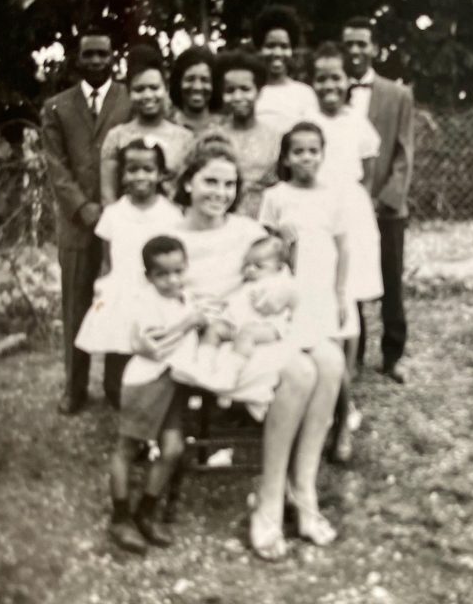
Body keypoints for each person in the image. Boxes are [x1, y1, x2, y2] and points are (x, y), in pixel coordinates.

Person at [172, 144, 344, 560]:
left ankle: (302, 488)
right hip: (206, 344)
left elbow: (283, 275)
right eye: (210, 181)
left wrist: (284, 287)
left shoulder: (248, 232)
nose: (220, 192)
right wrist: (200, 314)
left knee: (332, 360)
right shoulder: (171, 237)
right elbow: (155, 297)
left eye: (230, 183)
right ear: (188, 182)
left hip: (257, 328)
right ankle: (268, 500)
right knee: (300, 371)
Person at [41, 29, 131, 415]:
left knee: (119, 301)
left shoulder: (128, 100)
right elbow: (55, 165)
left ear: (113, 57)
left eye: (103, 54)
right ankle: (74, 387)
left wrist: (117, 209)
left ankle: (116, 385)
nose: (96, 61)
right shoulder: (57, 107)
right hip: (77, 224)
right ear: (78, 59)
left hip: (122, 223)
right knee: (76, 305)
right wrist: (82, 207)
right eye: (89, 55)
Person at [308, 42, 384, 460]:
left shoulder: (358, 123)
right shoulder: (306, 122)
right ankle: (331, 399)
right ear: (312, 82)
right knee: (320, 301)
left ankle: (345, 395)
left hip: (350, 218)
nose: (329, 85)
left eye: (335, 77)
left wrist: (356, 207)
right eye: (321, 78)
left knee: (348, 306)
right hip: (317, 215)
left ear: (347, 81)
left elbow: (368, 172)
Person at [108, 235, 205, 554]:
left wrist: (199, 321)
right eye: (162, 274)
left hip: (174, 382)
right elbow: (155, 345)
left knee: (173, 448)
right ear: (148, 276)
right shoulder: (146, 302)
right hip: (146, 381)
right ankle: (120, 518)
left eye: (178, 271)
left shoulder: (184, 297)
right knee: (126, 447)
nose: (172, 279)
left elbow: (197, 323)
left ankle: (145, 513)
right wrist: (189, 322)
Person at [75, 139, 183, 398]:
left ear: (160, 174)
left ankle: (150, 387)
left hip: (154, 288)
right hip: (121, 286)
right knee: (119, 338)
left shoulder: (171, 214)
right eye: (132, 169)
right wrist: (104, 289)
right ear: (122, 175)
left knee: (152, 339)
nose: (140, 176)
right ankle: (114, 389)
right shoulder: (113, 214)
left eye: (148, 169)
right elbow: (106, 260)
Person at [342, 16, 414, 384]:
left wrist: (382, 199)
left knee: (390, 281)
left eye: (361, 44)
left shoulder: (397, 94)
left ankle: (392, 356)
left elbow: (403, 153)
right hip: (343, 206)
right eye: (348, 44)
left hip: (386, 208)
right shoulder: (332, 90)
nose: (354, 50)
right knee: (346, 278)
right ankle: (352, 353)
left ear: (374, 49)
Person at [258, 121, 351, 350]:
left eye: (313, 151)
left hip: (324, 282)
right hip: (292, 281)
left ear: (322, 155)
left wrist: (339, 293)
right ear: (287, 159)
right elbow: (265, 246)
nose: (307, 157)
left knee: (329, 344)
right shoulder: (275, 195)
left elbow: (343, 248)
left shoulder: (333, 196)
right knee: (295, 343)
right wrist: (281, 240)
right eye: (298, 152)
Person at [170, 235, 296, 401]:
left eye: (259, 266)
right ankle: (202, 368)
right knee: (215, 329)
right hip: (240, 324)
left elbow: (287, 297)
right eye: (247, 264)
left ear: (279, 267)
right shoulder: (250, 282)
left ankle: (229, 376)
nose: (250, 269)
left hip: (268, 328)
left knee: (246, 334)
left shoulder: (278, 281)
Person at [100, 44, 193, 204]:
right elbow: (108, 195)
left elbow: (190, 192)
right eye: (139, 89)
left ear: (165, 89)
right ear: (129, 93)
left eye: (154, 88)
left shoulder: (185, 138)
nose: (148, 95)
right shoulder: (116, 137)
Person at [214, 50, 282, 218]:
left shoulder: (276, 138)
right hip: (223, 218)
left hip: (265, 219)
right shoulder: (214, 137)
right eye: (230, 90)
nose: (238, 97)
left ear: (258, 92)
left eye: (245, 89)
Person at [252, 5, 318, 133]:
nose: (277, 53)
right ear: (260, 49)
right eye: (270, 46)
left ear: (291, 50)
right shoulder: (250, 92)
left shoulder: (304, 94)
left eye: (284, 46)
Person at [169, 45, 222, 134]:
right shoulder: (169, 125)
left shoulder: (224, 126)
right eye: (190, 79)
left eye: (205, 80)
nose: (197, 87)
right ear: (178, 83)